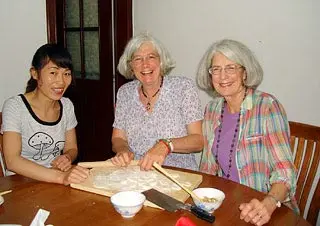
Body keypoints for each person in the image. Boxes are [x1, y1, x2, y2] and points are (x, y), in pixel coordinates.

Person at [196, 39, 299, 226]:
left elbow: (285, 171)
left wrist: (269, 202)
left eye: (231, 68)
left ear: (245, 72)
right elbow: (208, 168)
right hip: (227, 206)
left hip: (267, 210)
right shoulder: (212, 109)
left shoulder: (267, 106)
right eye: (216, 69)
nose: (223, 76)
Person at [111, 32, 203, 171]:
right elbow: (118, 138)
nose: (145, 64)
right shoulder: (125, 93)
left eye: (151, 57)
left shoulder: (183, 87)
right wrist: (123, 150)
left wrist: (166, 145)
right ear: (131, 66)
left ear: (161, 61)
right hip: (137, 172)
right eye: (138, 59)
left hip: (178, 173)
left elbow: (198, 141)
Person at [1, 43, 89, 185]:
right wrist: (60, 177)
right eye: (53, 73)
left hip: (54, 181)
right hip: (20, 183)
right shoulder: (15, 106)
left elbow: (72, 148)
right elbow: (12, 161)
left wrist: (66, 157)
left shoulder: (66, 106)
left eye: (66, 74)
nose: (61, 81)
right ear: (35, 73)